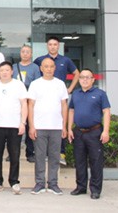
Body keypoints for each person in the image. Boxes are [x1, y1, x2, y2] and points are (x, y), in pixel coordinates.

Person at [34, 36, 80, 165]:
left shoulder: (65, 60)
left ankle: (61, 153)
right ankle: (43, 153)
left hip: (59, 97)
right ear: (47, 46)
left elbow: (77, 73)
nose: (52, 46)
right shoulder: (40, 60)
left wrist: (69, 89)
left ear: (58, 46)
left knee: (60, 123)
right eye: (50, 44)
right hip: (43, 98)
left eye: (55, 44)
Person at [68, 68, 111, 200]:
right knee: (79, 161)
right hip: (78, 132)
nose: (84, 80)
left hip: (95, 132)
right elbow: (71, 111)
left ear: (93, 79)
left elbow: (106, 112)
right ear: (79, 80)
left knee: (96, 162)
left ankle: (95, 190)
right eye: (82, 77)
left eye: (88, 77)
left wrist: (106, 131)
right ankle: (81, 187)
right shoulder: (75, 94)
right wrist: (69, 129)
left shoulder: (100, 94)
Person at [27, 57, 68, 196]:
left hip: (56, 126)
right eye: (46, 66)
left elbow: (64, 105)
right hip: (39, 126)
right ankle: (39, 183)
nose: (49, 69)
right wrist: (31, 126)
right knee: (39, 156)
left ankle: (53, 183)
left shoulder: (60, 84)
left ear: (55, 68)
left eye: (51, 66)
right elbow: (30, 105)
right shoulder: (35, 84)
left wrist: (64, 126)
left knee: (54, 156)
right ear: (41, 68)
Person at [0, 61, 28, 194]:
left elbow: (24, 104)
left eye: (7, 70)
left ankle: (14, 182)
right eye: (2, 70)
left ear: (12, 71)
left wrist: (23, 123)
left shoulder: (19, 85)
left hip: (14, 126)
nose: (4, 72)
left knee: (15, 155)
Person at [12, 45, 41, 163]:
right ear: (20, 53)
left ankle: (30, 152)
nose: (25, 54)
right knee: (15, 126)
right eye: (23, 51)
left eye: (27, 52)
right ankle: (13, 152)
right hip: (15, 100)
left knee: (29, 125)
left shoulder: (35, 68)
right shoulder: (14, 67)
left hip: (29, 100)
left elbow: (37, 84)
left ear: (31, 54)